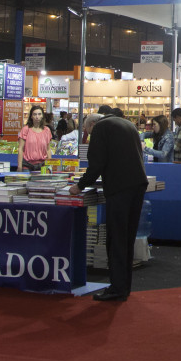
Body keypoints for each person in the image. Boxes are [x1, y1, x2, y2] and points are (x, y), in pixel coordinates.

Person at [75, 114, 149, 302]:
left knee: (116, 238)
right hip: (137, 185)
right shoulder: (127, 124)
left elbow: (96, 164)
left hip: (119, 189)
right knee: (127, 238)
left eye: (87, 131)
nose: (89, 135)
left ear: (92, 124)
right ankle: (124, 286)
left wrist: (80, 185)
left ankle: (116, 287)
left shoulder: (101, 128)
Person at [18, 105, 52, 172]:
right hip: (27, 164)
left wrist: (50, 164)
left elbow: (48, 149)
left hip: (43, 164)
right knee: (26, 182)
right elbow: (20, 148)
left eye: (39, 114)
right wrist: (19, 166)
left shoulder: (47, 130)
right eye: (35, 114)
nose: (37, 117)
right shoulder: (26, 129)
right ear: (31, 116)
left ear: (42, 116)